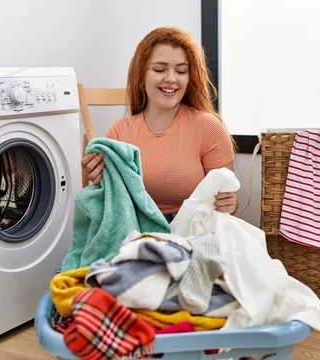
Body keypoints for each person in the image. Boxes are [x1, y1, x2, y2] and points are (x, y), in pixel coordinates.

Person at [81, 27, 239, 223]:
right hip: (136, 235)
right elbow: (110, 203)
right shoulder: (119, 132)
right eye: (159, 69)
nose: (171, 79)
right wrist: (97, 181)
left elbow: (226, 202)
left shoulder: (209, 127)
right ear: (142, 75)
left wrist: (229, 203)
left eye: (181, 71)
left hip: (192, 235)